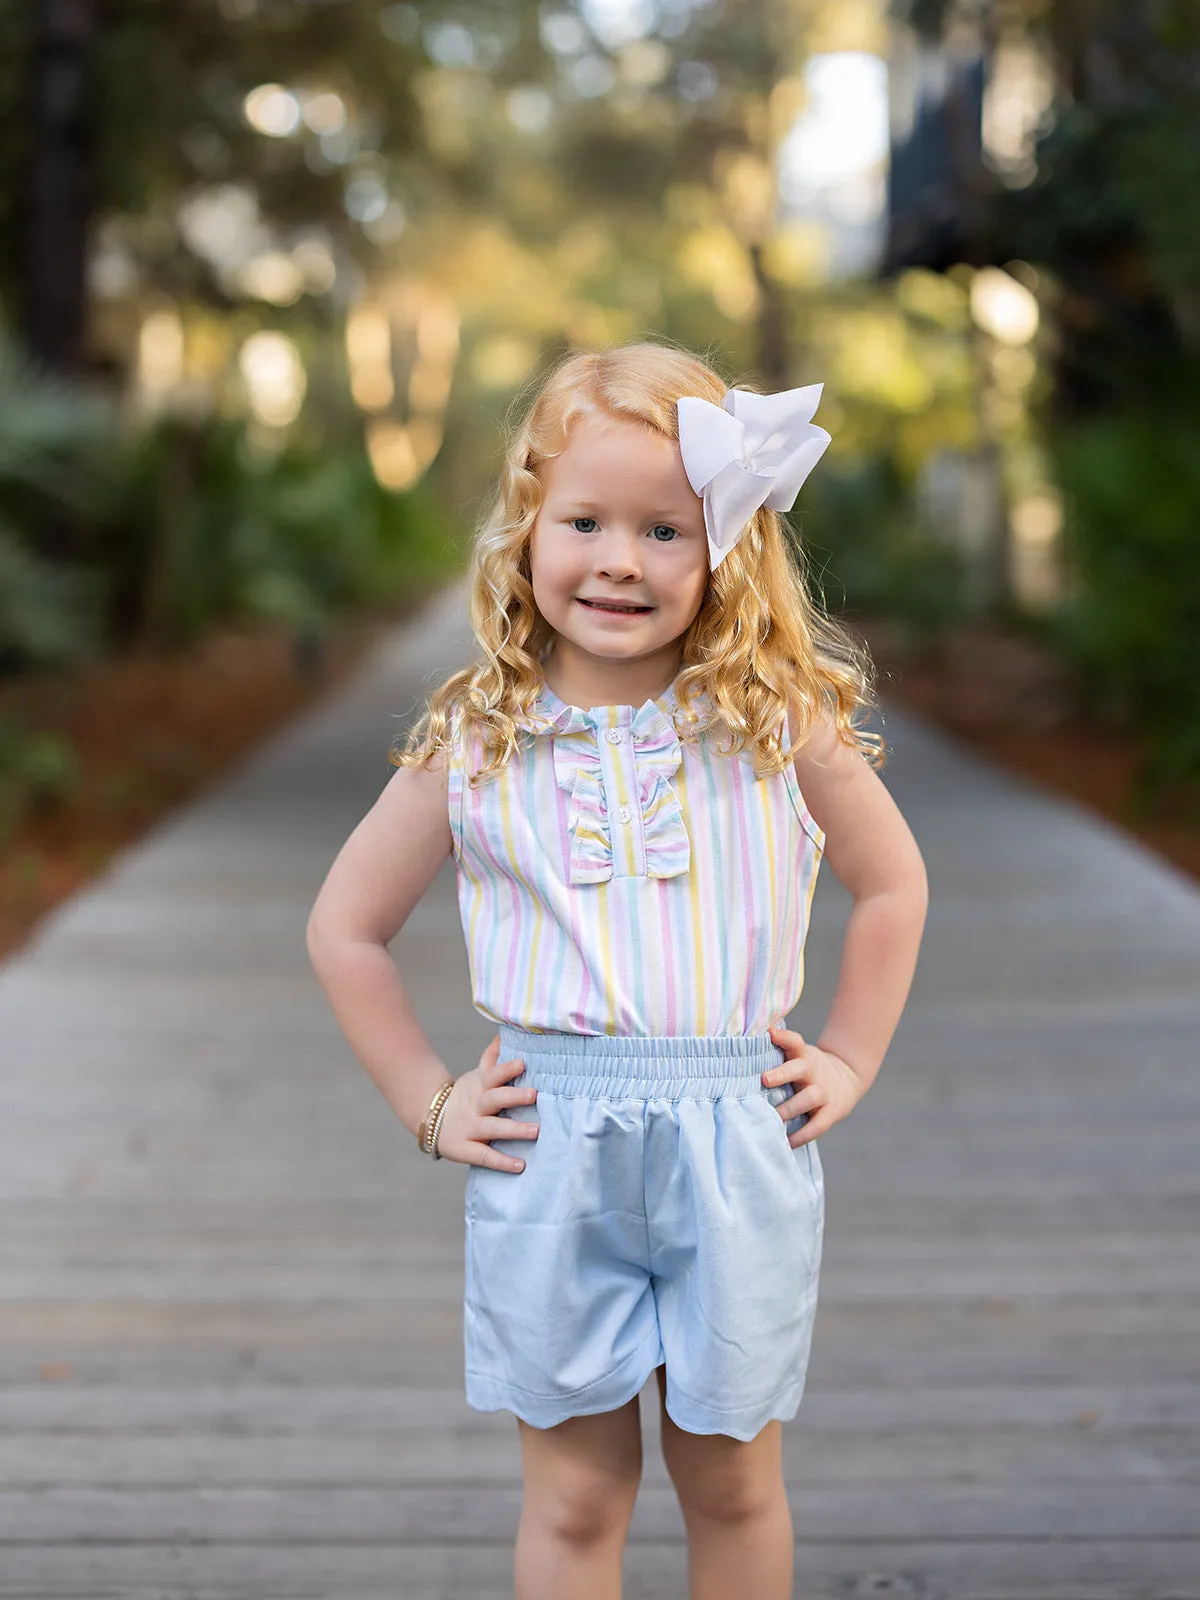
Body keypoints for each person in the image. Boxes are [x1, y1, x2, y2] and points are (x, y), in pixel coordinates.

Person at [307, 341, 929, 1600]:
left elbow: (894, 882)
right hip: (553, 1145)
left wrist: (854, 1054)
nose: (619, 560)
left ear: (727, 549)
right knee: (579, 1495)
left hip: (733, 1137)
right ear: (529, 530)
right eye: (584, 520)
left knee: (732, 1482)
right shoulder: (479, 738)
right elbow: (344, 927)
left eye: (664, 529)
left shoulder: (774, 724)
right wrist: (428, 1098)